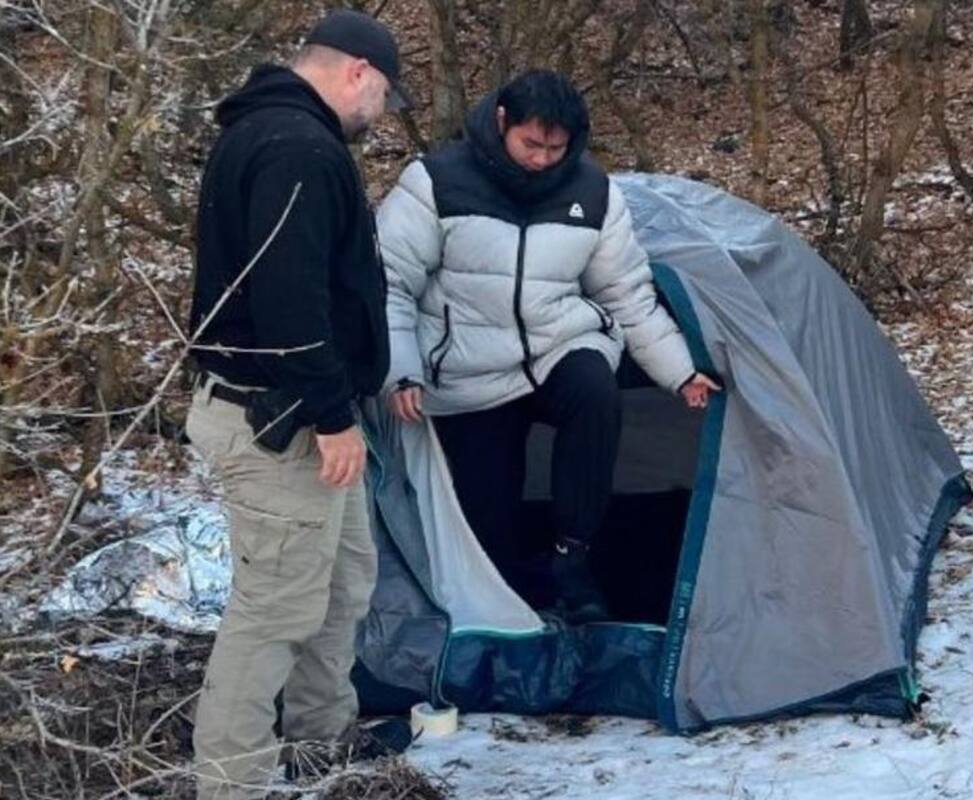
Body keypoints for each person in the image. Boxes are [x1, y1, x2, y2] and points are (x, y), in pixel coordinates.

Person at [378, 69, 720, 623]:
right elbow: (390, 281)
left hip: (557, 345)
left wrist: (680, 371)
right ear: (502, 122)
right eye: (531, 144)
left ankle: (572, 555)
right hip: (468, 366)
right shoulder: (436, 183)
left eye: (555, 149)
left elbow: (625, 292)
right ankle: (509, 594)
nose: (541, 159)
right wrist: (402, 370)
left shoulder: (593, 192)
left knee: (595, 391)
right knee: (489, 525)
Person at [184, 9, 412, 798]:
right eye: (384, 97)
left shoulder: (275, 133)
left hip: (300, 410)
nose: (379, 115)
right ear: (358, 72)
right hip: (278, 418)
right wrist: (333, 416)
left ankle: (320, 738)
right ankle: (231, 784)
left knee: (344, 580)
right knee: (275, 609)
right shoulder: (298, 149)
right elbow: (289, 301)